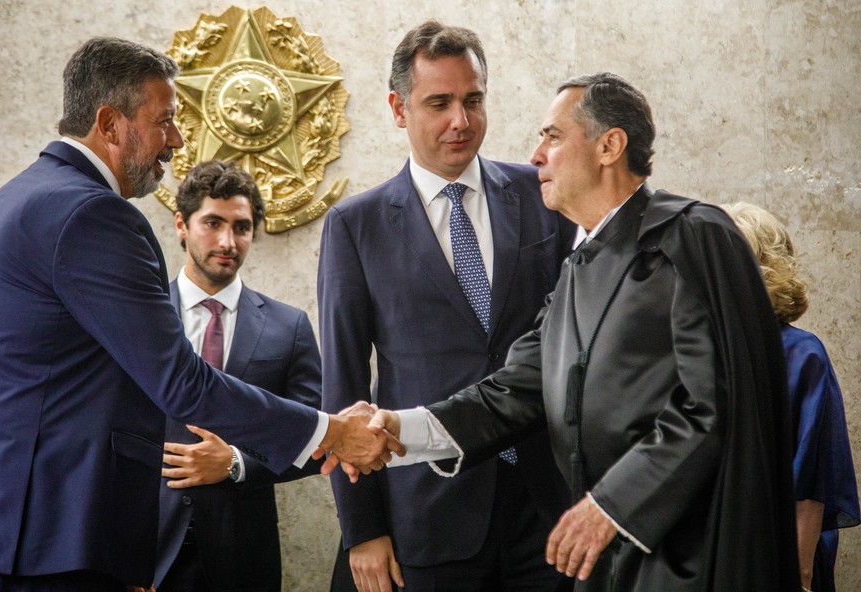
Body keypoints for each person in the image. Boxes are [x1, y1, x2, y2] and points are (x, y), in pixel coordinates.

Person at [342, 72, 802, 591]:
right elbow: (514, 391)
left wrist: (610, 506)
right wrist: (397, 429)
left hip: (691, 554)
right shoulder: (578, 266)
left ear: (610, 146)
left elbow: (715, 403)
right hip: (606, 556)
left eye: (553, 137)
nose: (535, 155)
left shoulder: (694, 234)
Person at [0, 37, 396, 592]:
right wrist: (332, 431)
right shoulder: (91, 214)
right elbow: (179, 382)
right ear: (110, 122)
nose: (175, 140)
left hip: (11, 528)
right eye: (165, 120)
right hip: (51, 537)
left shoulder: (11, 200)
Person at [318, 19, 575, 592]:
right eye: (439, 103)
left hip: (549, 509)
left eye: (473, 100)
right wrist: (362, 530)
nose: (461, 120)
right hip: (426, 515)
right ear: (398, 108)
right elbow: (344, 386)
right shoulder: (354, 226)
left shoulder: (543, 196)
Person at [152, 160, 323, 592]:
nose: (228, 241)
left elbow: (312, 438)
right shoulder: (142, 319)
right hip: (144, 550)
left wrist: (235, 464)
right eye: (212, 222)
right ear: (181, 225)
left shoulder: (290, 327)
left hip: (244, 556)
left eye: (242, 227)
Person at [722, 202, 859, 592]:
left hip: (778, 555)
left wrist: (798, 576)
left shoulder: (803, 355)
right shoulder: (706, 349)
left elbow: (812, 485)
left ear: (763, 271)